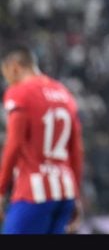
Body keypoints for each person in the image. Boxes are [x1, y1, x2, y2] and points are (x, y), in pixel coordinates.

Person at [0, 44, 84, 235]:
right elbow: (77, 150)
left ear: (14, 67)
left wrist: (1, 188)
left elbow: (14, 143)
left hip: (33, 191)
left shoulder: (20, 92)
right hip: (64, 192)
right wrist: (76, 196)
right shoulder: (65, 94)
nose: (7, 81)